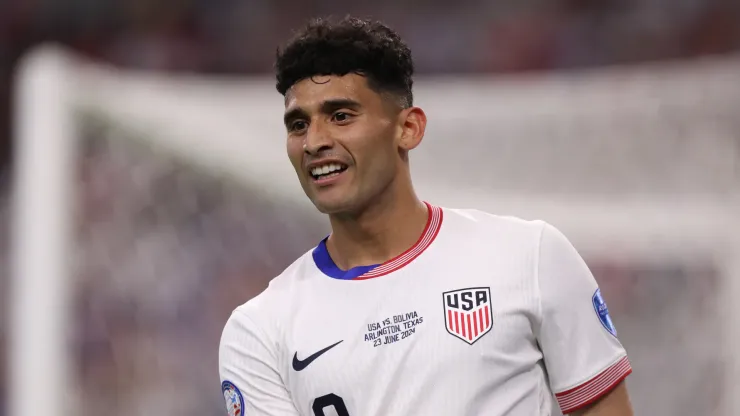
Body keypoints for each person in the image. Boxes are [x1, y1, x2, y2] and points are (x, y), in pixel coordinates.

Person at [219, 16, 633, 416]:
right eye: (297, 124)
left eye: (340, 116)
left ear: (409, 128)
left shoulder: (531, 257)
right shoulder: (259, 331)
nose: (314, 142)